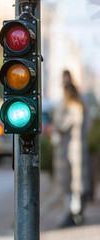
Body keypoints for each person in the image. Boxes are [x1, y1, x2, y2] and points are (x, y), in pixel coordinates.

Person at [52, 72, 89, 227]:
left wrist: (56, 128)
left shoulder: (72, 106)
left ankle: (73, 215)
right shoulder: (78, 104)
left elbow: (64, 124)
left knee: (71, 184)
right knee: (73, 184)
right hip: (73, 148)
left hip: (70, 150)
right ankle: (73, 213)